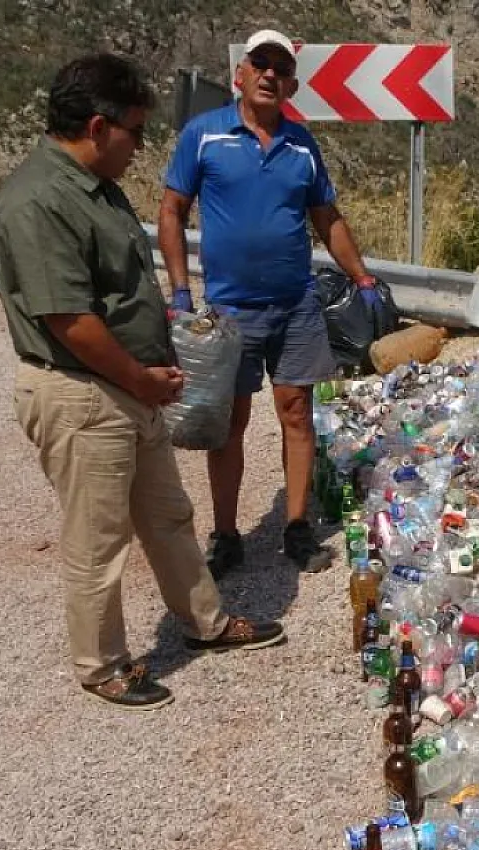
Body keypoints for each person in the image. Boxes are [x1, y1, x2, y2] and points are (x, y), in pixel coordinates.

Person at [0, 53, 285, 711]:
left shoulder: (94, 185)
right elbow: (71, 320)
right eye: (134, 133)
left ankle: (204, 622)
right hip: (83, 391)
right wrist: (141, 379)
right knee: (97, 538)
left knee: (168, 516)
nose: (139, 149)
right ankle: (102, 664)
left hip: (127, 388)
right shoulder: (40, 200)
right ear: (99, 126)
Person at [159, 28, 384, 576]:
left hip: (296, 305)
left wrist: (364, 280)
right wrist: (182, 292)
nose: (268, 75)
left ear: (292, 83)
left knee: (298, 414)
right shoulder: (204, 136)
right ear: (239, 74)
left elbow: (326, 219)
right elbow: (171, 212)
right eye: (259, 64)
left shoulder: (303, 145)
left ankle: (297, 527)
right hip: (230, 310)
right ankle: (228, 535)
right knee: (229, 424)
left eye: (279, 69)